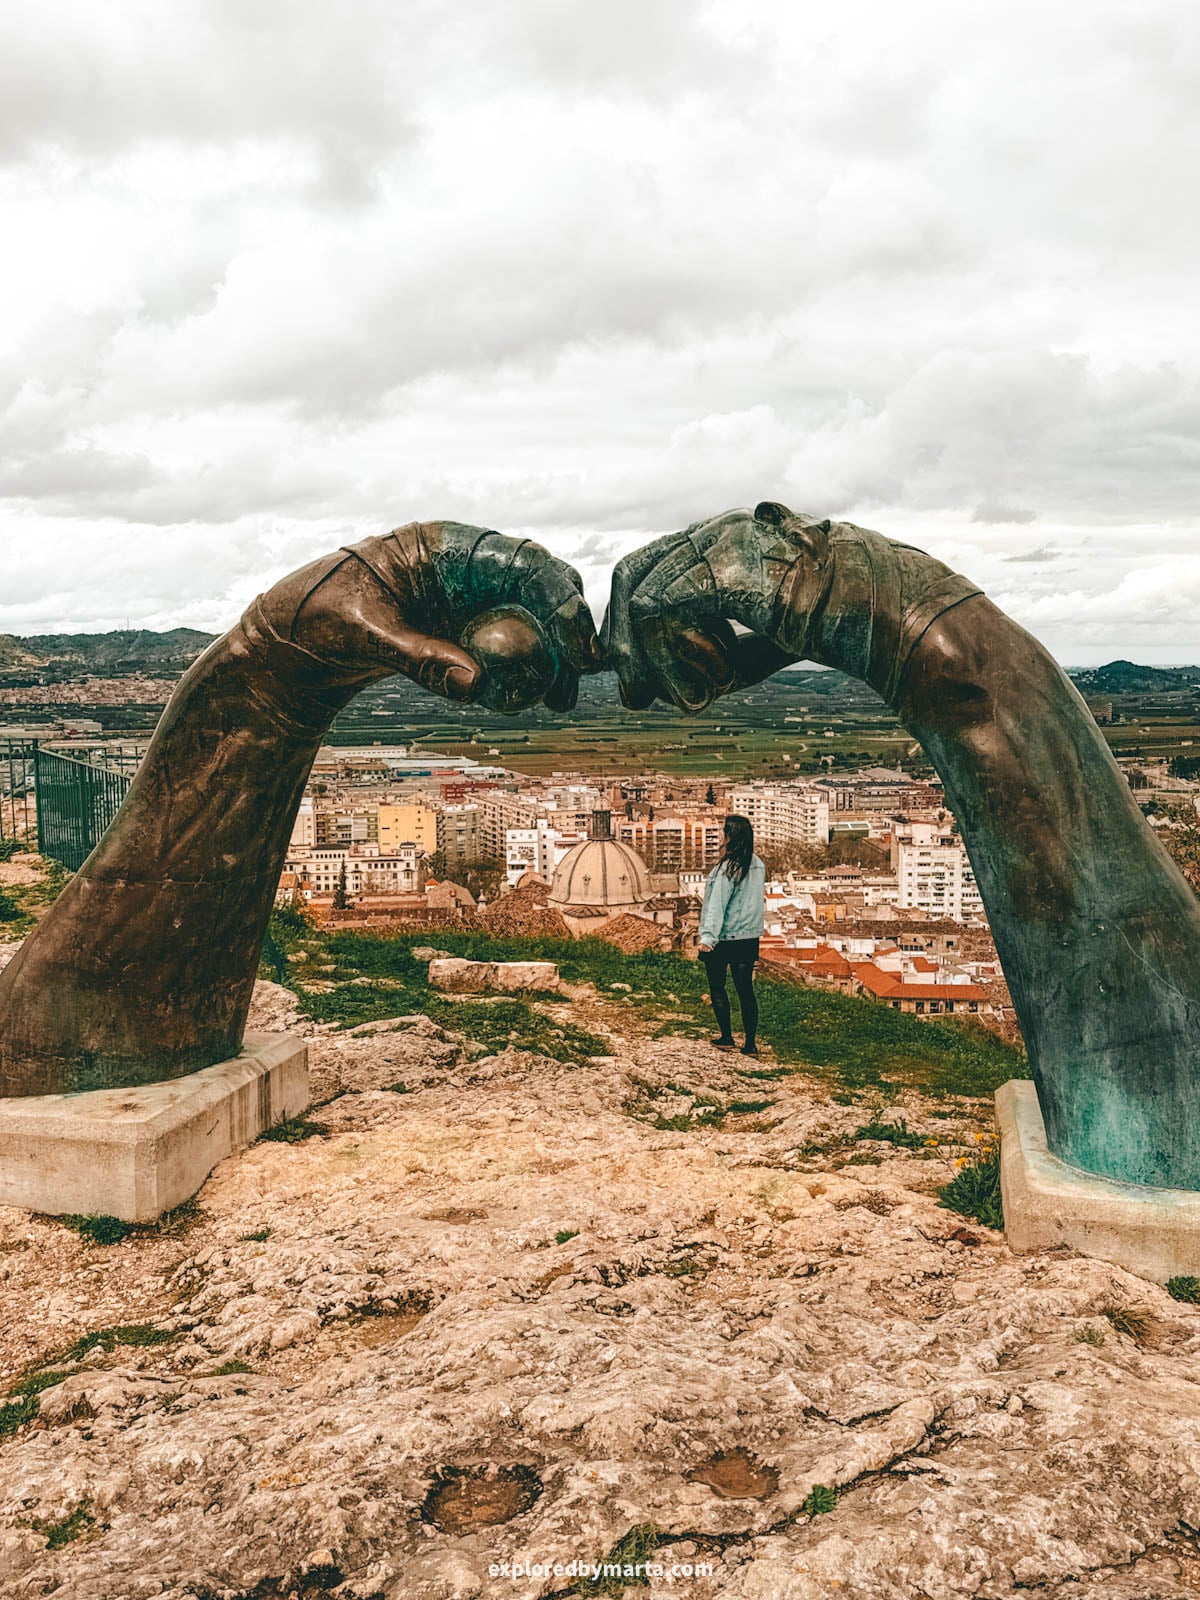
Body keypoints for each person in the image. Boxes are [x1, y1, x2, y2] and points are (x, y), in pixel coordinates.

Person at [698, 814, 766, 1055]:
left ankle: (726, 1036)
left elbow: (718, 903)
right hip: (748, 937)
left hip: (724, 937)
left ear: (729, 836)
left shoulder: (726, 867)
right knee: (745, 989)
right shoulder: (758, 864)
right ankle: (750, 1043)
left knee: (717, 987)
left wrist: (708, 937)